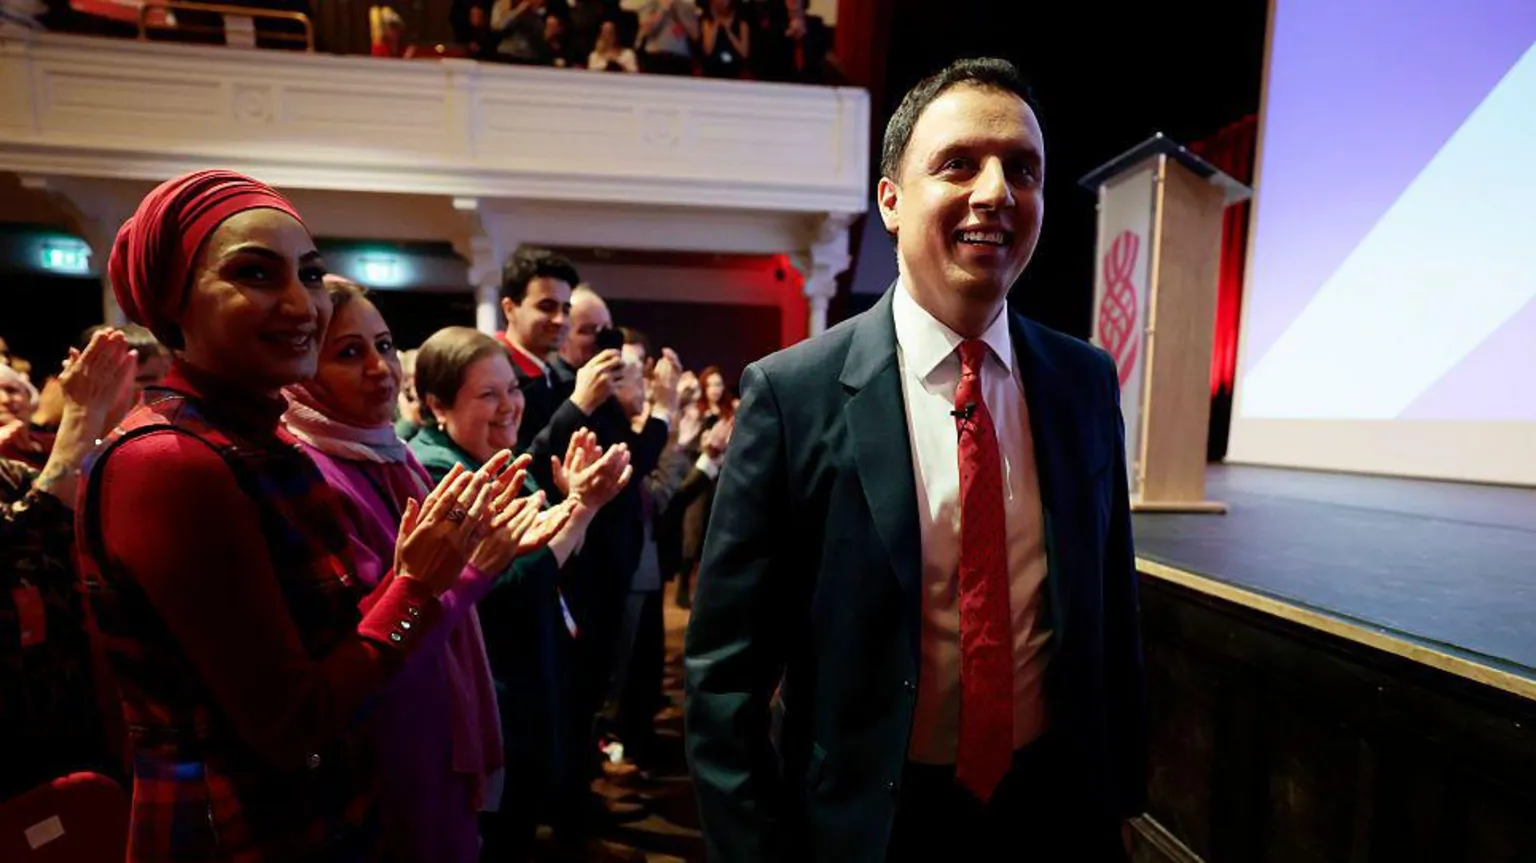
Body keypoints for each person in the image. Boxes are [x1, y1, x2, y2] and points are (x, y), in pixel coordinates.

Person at [683, 59, 1146, 862]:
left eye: (1023, 169)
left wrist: (1118, 800)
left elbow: (1109, 609)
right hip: (868, 827)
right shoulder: (793, 395)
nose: (997, 191)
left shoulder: (1084, 380)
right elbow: (724, 680)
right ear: (891, 200)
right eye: (959, 163)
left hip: (1051, 816)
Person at [78, 170, 514, 860]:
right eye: (255, 273)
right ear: (172, 303)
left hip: (314, 818)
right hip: (239, 830)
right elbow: (293, 722)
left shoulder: (257, 438)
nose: (300, 304)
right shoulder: (172, 460)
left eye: (310, 275)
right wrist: (418, 585)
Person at [281, 278, 575, 862]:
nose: (380, 368)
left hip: (436, 726)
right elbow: (374, 649)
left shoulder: (392, 456)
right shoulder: (307, 472)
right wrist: (475, 574)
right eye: (349, 352)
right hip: (386, 753)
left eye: (385, 346)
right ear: (302, 369)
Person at [407, 325, 633, 860]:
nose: (510, 406)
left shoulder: (494, 458)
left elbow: (542, 554)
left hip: (528, 673)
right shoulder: (439, 472)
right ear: (437, 404)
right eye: (488, 394)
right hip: (491, 690)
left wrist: (573, 501)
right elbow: (506, 585)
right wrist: (583, 508)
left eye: (512, 389)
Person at [1, 328, 137, 801]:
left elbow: (73, 528)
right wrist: (80, 419)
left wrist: (104, 420)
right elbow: (20, 544)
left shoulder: (12, 471)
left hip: (66, 727)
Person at [700, 0, 748, 79]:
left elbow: (744, 52)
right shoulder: (707, 22)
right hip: (712, 71)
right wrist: (715, 25)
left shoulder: (741, 22)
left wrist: (728, 30)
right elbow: (708, 50)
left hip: (734, 72)